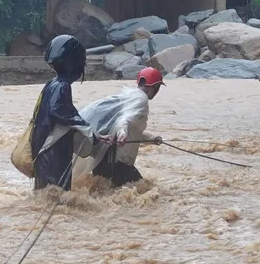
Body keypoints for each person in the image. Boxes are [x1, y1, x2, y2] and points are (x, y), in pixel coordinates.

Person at [30, 34, 100, 191]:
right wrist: (91, 134)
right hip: (53, 154)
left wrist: (92, 134)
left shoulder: (51, 84)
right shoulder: (62, 86)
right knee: (58, 197)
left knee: (44, 196)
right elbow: (61, 113)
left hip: (41, 152)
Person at [82, 66, 165, 186]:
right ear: (155, 86)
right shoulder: (141, 100)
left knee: (105, 194)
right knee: (144, 190)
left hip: (103, 159)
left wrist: (152, 139)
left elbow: (133, 133)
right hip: (118, 163)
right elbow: (124, 121)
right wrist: (122, 134)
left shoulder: (129, 96)